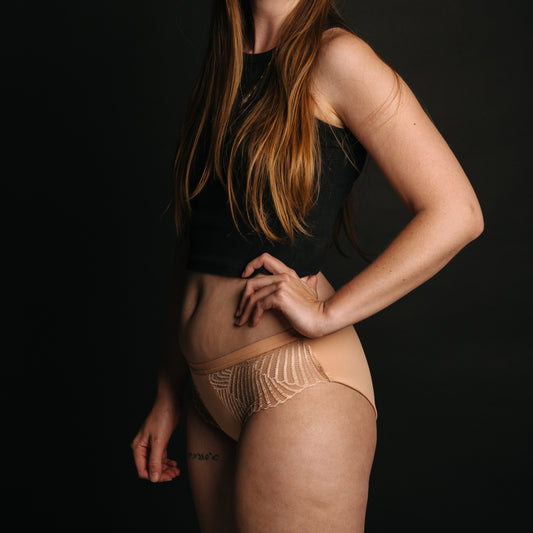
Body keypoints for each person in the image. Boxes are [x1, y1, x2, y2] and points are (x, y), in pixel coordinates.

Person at [131, 0, 484, 531]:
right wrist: (168, 391)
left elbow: (458, 212)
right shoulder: (226, 62)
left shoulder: (337, 57)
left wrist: (327, 314)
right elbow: (199, 240)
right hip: (205, 394)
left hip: (297, 386)